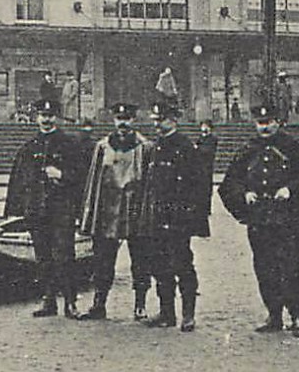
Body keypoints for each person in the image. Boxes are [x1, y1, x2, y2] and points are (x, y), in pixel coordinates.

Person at [219, 102, 299, 336]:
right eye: (260, 123)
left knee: (290, 267)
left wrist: (291, 189)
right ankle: (274, 315)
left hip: (286, 218)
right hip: (259, 219)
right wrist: (244, 194)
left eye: (269, 122)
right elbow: (230, 182)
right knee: (264, 267)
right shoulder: (249, 149)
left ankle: (298, 316)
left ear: (279, 122)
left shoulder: (293, 148)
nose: (264, 127)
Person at [4, 97, 90, 319]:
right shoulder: (29, 147)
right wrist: (16, 212)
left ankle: (70, 303)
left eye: (50, 116)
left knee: (64, 256)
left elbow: (83, 176)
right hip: (37, 210)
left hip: (62, 210)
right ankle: (48, 301)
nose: (46, 120)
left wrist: (62, 175)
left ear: (57, 118)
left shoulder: (70, 145)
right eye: (42, 115)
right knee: (43, 257)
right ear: (36, 118)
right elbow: (18, 181)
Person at [76, 102, 152, 321]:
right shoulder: (102, 147)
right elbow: (94, 182)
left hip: (135, 211)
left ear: (134, 121)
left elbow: (149, 183)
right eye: (119, 119)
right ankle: (99, 304)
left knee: (141, 259)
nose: (123, 124)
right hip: (108, 212)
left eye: (127, 119)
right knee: (103, 260)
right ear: (113, 121)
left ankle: (140, 304)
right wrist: (90, 214)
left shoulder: (145, 147)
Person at [140, 100, 210, 332]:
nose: (157, 125)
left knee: (182, 264)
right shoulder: (156, 147)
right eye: (155, 120)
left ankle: (188, 315)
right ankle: (166, 313)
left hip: (179, 218)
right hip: (158, 216)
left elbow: (198, 185)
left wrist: (191, 216)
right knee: (159, 265)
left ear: (173, 120)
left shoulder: (185, 147)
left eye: (161, 120)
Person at [194, 119, 219, 184]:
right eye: (202, 126)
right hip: (200, 162)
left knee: (207, 179)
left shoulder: (212, 138)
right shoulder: (201, 137)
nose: (203, 128)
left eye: (205, 126)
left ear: (209, 127)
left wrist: (198, 148)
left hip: (207, 162)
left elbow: (208, 149)